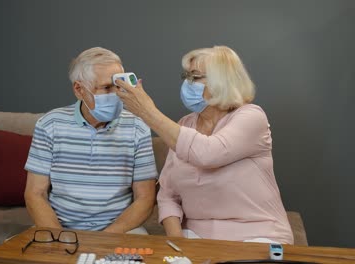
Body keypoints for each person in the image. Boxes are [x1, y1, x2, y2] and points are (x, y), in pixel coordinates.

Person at [115, 46, 294, 243]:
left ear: (223, 81)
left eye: (195, 77)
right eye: (186, 76)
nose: (187, 83)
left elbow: (208, 154)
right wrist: (177, 243)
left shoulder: (252, 117)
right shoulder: (185, 124)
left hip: (256, 235)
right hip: (196, 237)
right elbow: (168, 195)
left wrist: (147, 112)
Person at [24, 47, 157, 234]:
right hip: (59, 229)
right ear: (79, 89)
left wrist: (103, 240)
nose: (116, 94)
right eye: (106, 87)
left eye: (118, 86)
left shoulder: (138, 127)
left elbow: (145, 198)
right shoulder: (50, 124)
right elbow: (35, 194)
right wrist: (61, 239)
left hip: (120, 230)